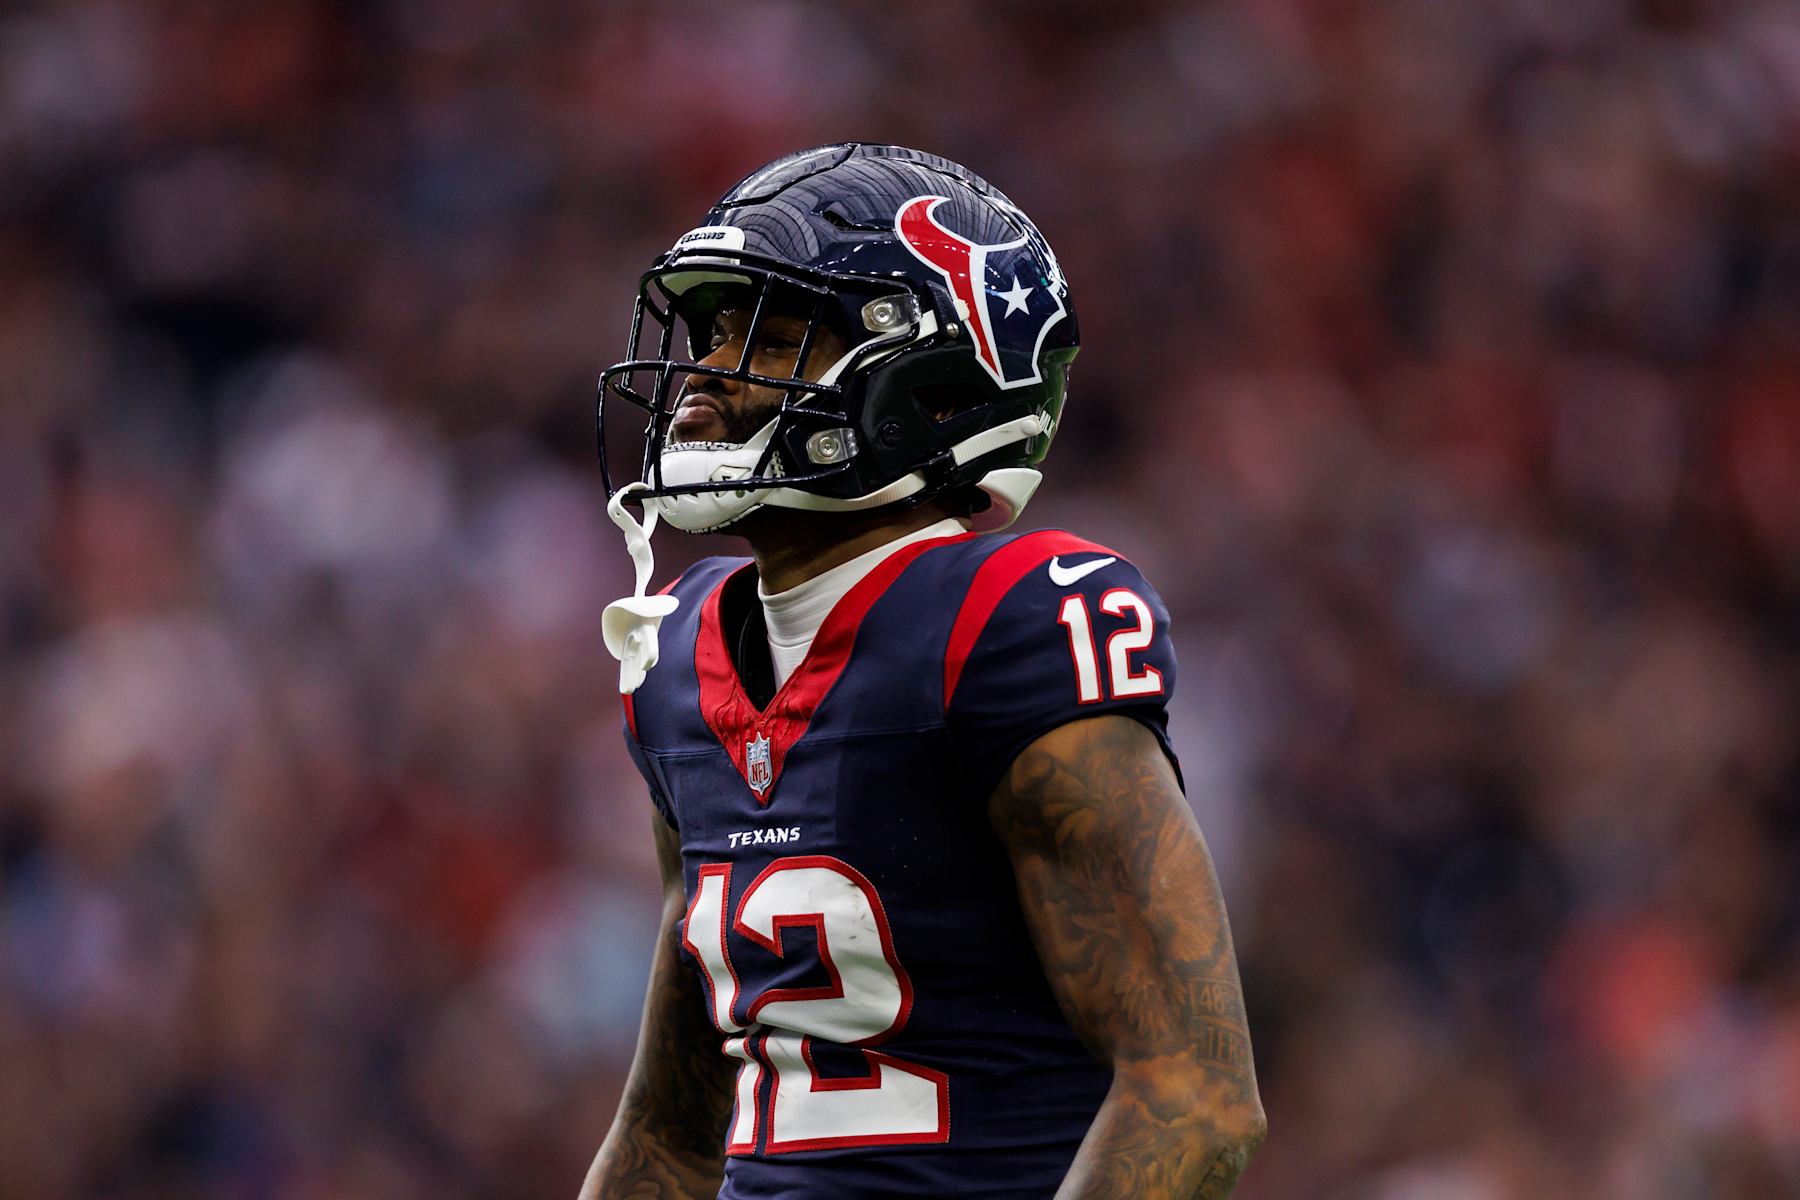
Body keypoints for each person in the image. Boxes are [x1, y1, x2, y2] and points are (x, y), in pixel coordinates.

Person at [581, 143, 1265, 1200]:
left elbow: (1196, 1095)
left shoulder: (1004, 624)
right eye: (712, 332)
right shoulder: (675, 658)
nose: (708, 371)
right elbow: (670, 1132)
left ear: (931, 384)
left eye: (772, 335)